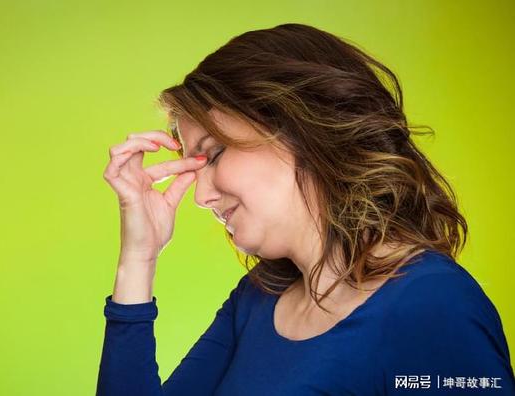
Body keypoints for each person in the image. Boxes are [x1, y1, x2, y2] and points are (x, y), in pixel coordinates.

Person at [97, 23, 514, 395]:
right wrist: (139, 257)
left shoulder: (433, 305)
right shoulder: (258, 299)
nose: (200, 196)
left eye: (216, 153)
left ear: (301, 129)